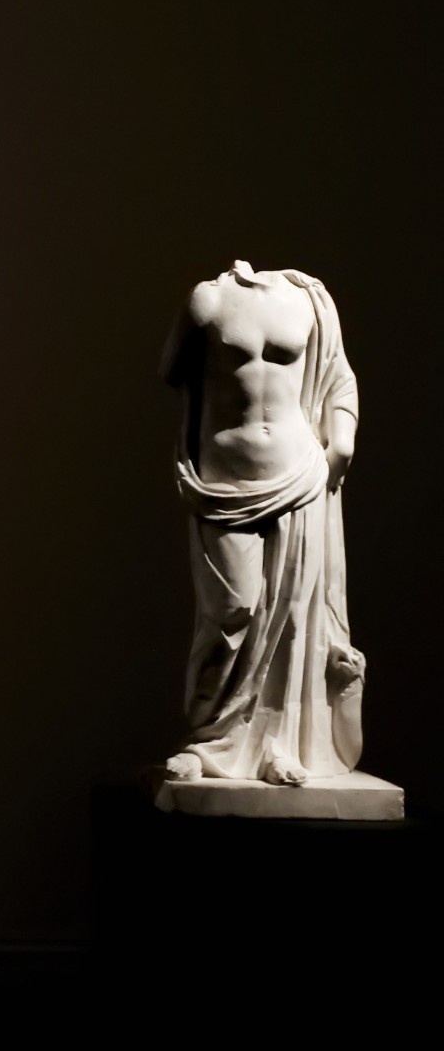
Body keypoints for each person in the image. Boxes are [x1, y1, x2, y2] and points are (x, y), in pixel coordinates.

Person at [159, 261, 362, 784]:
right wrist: (190, 319)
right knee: (232, 610)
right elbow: (170, 371)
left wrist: (341, 441)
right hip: (225, 481)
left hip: (298, 473)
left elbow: (339, 376)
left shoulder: (310, 301)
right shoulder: (208, 300)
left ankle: (277, 745)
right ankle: (211, 741)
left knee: (292, 620)